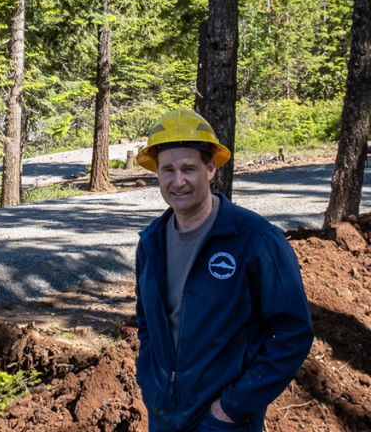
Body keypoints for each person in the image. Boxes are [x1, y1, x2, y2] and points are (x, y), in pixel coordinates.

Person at [133, 109, 313, 431]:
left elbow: (293, 332)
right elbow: (147, 320)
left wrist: (232, 407)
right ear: (156, 174)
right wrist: (149, 380)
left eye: (189, 168)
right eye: (167, 170)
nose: (178, 181)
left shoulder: (255, 240)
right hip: (162, 416)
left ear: (211, 168)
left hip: (223, 422)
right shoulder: (151, 243)